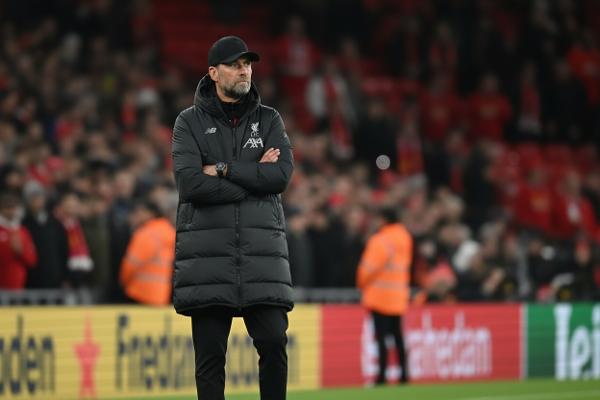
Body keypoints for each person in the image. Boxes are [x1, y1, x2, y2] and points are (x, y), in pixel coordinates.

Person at [171, 36, 294, 400]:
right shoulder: (188, 122)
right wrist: (254, 179)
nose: (245, 71)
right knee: (210, 360)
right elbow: (190, 184)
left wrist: (223, 169)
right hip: (208, 260)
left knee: (273, 341)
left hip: (262, 259)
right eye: (235, 65)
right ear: (213, 73)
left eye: (248, 65)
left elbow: (280, 177)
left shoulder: (269, 119)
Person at [356, 207, 412, 385]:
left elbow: (368, 269)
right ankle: (404, 375)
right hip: (399, 296)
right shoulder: (405, 238)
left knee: (381, 338)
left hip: (379, 297)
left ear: (383, 219)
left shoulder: (380, 240)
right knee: (398, 337)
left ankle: (382, 376)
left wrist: (361, 283)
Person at [120, 199, 175, 305]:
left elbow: (131, 264)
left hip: (140, 292)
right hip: (162, 293)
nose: (137, 216)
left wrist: (123, 283)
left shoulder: (145, 233)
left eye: (139, 212)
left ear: (150, 213)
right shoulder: (169, 231)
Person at [0, 191, 37, 289]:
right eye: (7, 207)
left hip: (17, 286)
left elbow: (32, 260)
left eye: (13, 208)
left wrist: (21, 251)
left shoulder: (22, 231)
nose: (11, 211)